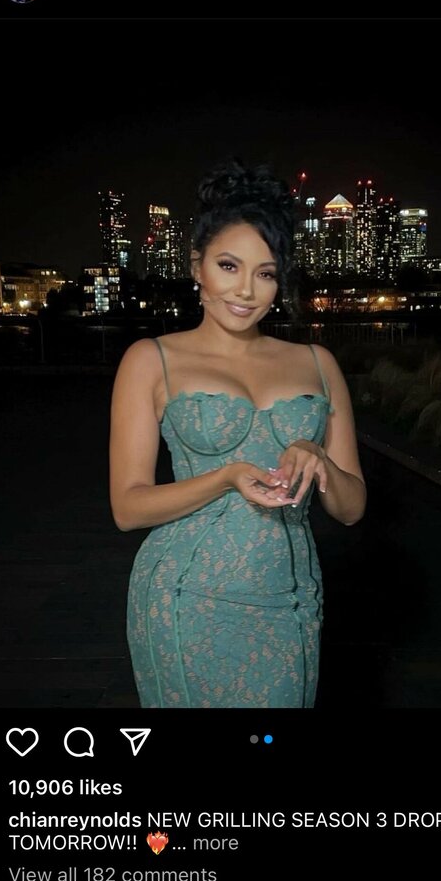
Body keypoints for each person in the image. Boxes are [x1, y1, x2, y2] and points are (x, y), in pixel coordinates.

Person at [110, 162, 367, 708]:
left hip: (288, 597)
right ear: (196, 266)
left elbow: (351, 509)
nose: (246, 290)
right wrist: (225, 478)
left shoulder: (318, 364)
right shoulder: (151, 359)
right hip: (183, 595)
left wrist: (319, 457)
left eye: (266, 273)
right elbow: (128, 509)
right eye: (229, 266)